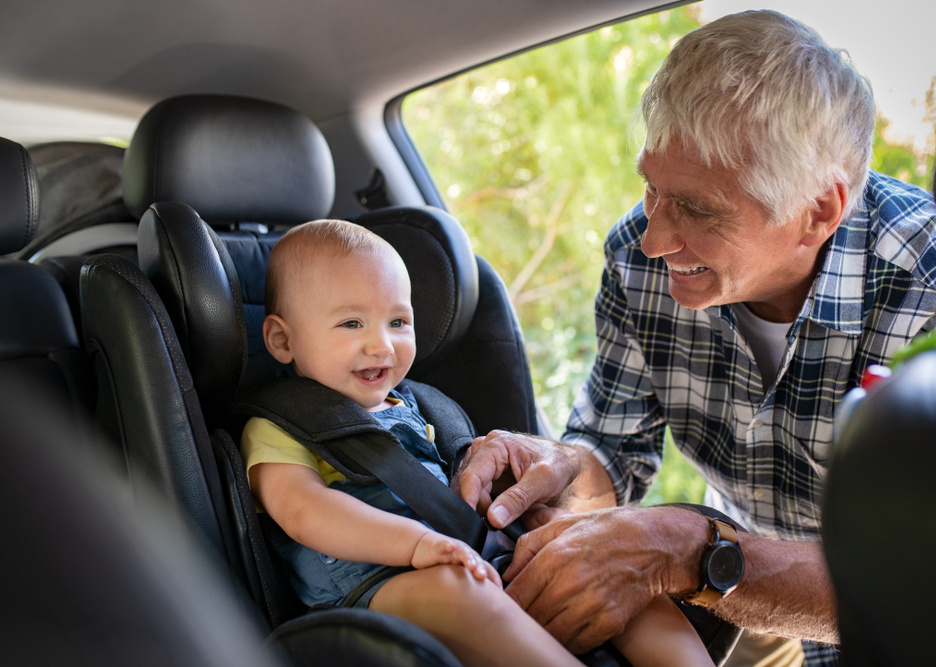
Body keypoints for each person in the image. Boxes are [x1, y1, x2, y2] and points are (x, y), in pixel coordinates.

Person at [453, 10, 936, 667]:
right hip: (738, 592)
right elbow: (612, 455)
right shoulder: (637, 254)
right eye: (652, 187)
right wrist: (559, 466)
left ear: (818, 210)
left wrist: (694, 550)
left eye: (698, 209)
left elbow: (935, 587)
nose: (655, 238)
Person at [241, 219, 714, 667]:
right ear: (282, 340)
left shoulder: (421, 409)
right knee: (460, 593)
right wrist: (417, 544)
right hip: (372, 581)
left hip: (465, 551)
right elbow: (304, 510)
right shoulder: (280, 427)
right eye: (351, 324)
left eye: (398, 322)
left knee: (612, 566)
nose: (382, 345)